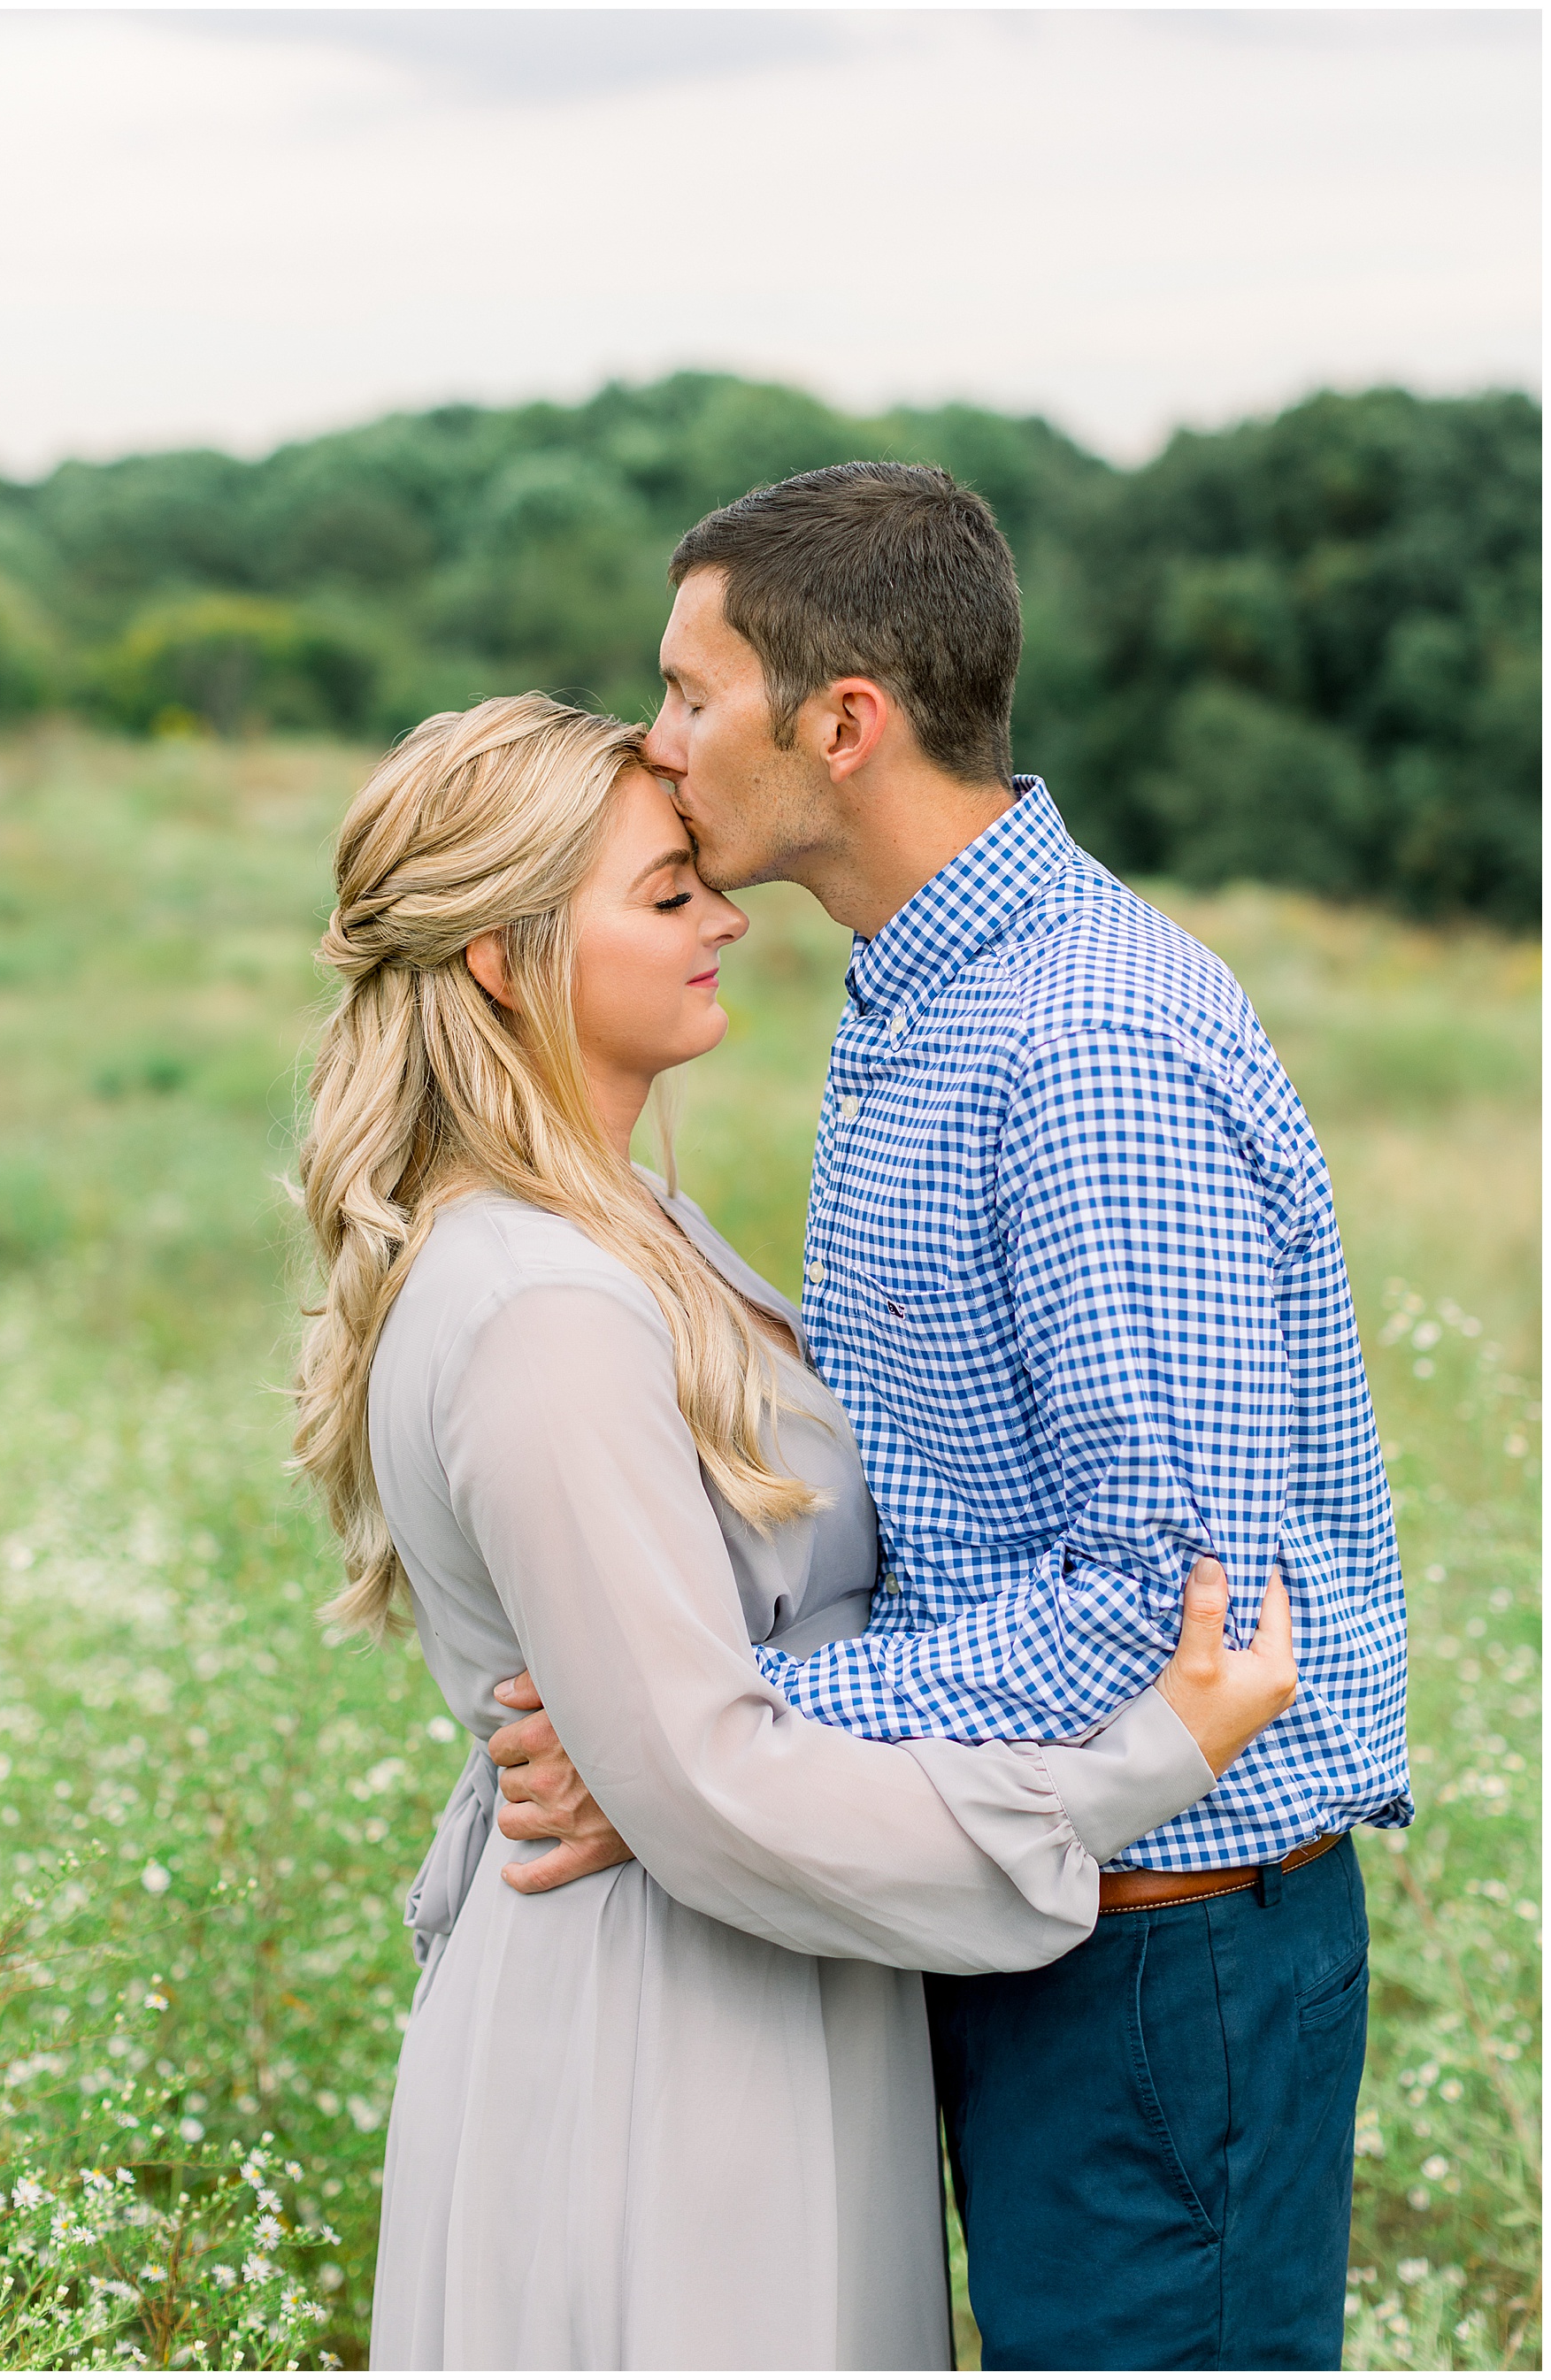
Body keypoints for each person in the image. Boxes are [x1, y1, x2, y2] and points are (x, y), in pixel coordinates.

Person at [489, 465, 1413, 2371]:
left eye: (690, 693)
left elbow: (1164, 1604)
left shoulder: (1086, 1048)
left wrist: (704, 1734)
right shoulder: (927, 998)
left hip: (1166, 1955)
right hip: (1028, 1905)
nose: (657, 742)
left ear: (842, 723)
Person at [291, 692, 1296, 2371]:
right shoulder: (541, 1305)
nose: (727, 921)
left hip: (762, 1977)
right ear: (503, 956)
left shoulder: (629, 1223)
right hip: (662, 2040)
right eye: (666, 893)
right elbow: (704, 1784)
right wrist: (1144, 1762)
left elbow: (686, 1743)